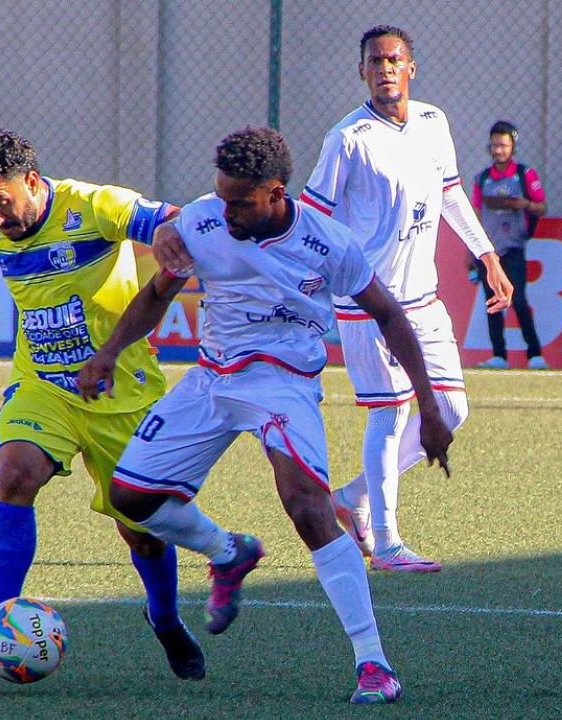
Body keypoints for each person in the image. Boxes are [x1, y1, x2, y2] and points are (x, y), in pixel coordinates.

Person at [76, 127, 453, 704]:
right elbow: (158, 292)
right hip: (210, 379)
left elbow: (388, 315)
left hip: (283, 385)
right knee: (130, 499)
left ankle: (373, 662)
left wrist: (426, 404)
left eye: (239, 202)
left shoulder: (329, 243)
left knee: (307, 505)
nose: (225, 211)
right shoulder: (203, 221)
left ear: (276, 192)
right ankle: (229, 551)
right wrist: (108, 354)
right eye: (221, 196)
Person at [0, 129, 205, 681]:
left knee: (141, 529)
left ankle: (166, 619)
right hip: (44, 387)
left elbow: (167, 218)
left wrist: (178, 231)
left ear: (31, 181)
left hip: (121, 391)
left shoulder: (95, 205)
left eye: (1, 202)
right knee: (14, 474)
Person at [299, 25, 512, 572]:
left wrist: (487, 255)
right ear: (362, 71)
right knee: (390, 416)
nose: (385, 68)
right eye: (375, 61)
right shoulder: (347, 139)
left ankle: (353, 498)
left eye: (394, 59)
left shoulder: (435, 122)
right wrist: (306, 287)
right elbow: (313, 217)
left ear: (410, 68)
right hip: (367, 302)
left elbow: (451, 193)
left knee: (453, 408)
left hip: (424, 299)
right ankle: (389, 544)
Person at [471, 120, 548, 370]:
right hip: (489, 251)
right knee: (492, 302)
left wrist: (521, 204)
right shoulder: (482, 179)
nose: (498, 151)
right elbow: (476, 213)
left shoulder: (524, 175)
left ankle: (534, 353)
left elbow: (541, 207)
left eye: (503, 145)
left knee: (520, 301)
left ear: (513, 146)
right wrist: (471, 250)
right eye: (494, 145)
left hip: (514, 248)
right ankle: (498, 355)